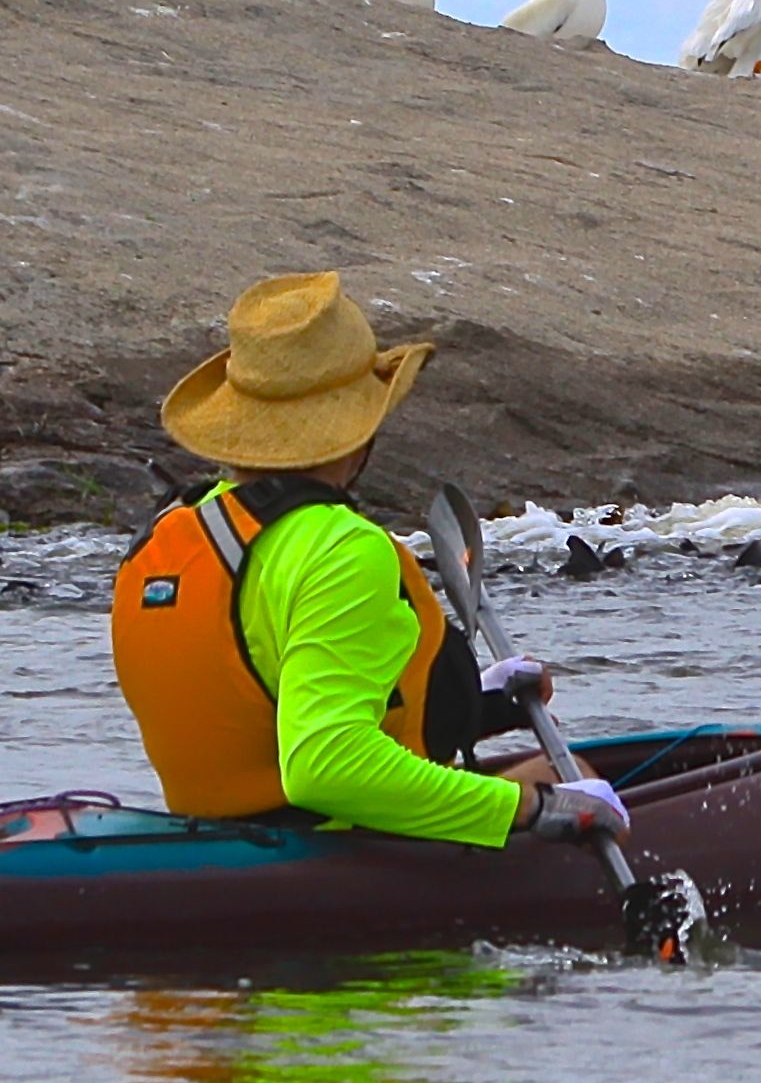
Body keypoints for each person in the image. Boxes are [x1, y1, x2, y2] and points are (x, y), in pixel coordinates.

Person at [113, 269, 621, 847]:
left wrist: (469, 700)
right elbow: (327, 767)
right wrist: (530, 809)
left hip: (210, 835)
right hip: (329, 844)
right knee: (569, 775)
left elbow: (262, 695)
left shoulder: (171, 532)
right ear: (358, 434)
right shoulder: (340, 549)